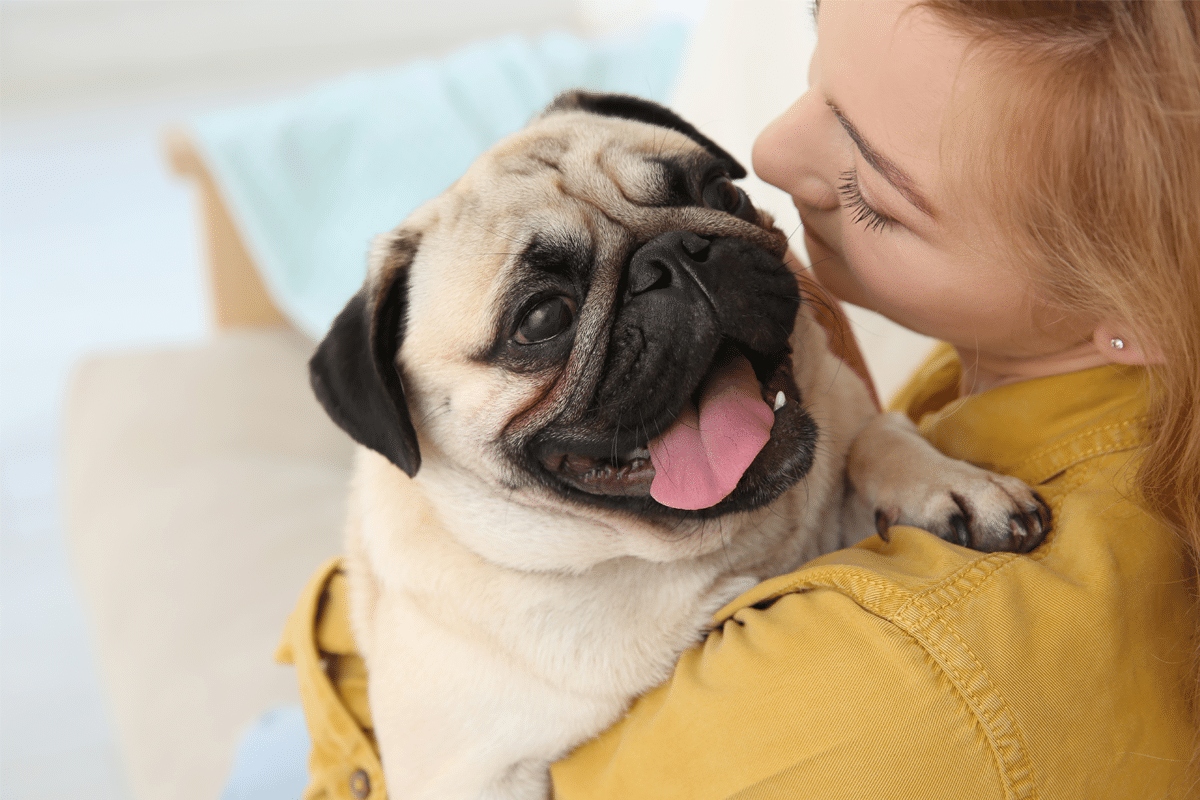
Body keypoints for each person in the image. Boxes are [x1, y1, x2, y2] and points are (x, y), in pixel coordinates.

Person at [551, 1, 1200, 798]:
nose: (767, 155)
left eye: (870, 193)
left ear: (1139, 310)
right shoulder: (1029, 369)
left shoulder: (877, 686)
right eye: (816, 37)